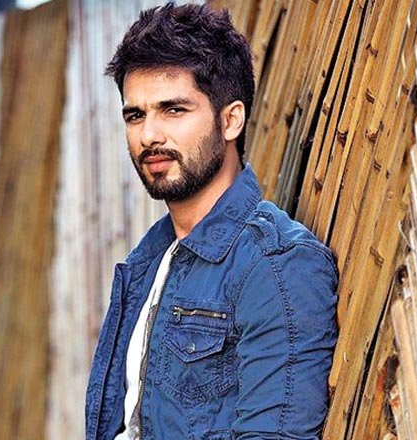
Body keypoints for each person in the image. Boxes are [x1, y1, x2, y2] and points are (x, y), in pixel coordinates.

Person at [85, 3, 338, 439]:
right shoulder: (151, 259)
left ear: (230, 120)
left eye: (174, 110)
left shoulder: (276, 266)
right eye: (135, 115)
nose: (149, 135)